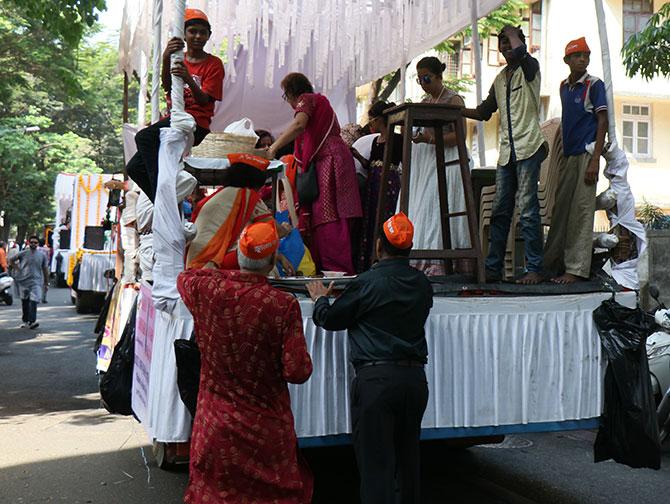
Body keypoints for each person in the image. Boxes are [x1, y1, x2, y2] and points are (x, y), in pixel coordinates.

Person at [178, 221, 313, 504]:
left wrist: (223, 272)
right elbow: (297, 371)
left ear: (238, 255)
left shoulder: (207, 291)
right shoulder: (281, 305)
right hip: (265, 428)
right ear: (273, 260)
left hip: (216, 424)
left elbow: (186, 277)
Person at [307, 212, 433, 504]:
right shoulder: (422, 284)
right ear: (409, 249)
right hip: (415, 381)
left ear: (379, 246)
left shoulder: (367, 283)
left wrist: (320, 299)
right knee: (408, 463)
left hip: (377, 381)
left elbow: (331, 319)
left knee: (377, 467)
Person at [463, 26, 547, 284]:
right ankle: (493, 268)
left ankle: (533, 268)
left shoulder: (530, 67)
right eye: (501, 43)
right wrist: (456, 111)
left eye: (509, 42)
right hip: (507, 154)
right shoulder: (500, 78)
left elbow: (521, 51)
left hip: (529, 148)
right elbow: (484, 111)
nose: (506, 46)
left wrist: (512, 32)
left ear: (520, 43)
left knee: (529, 210)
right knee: (500, 211)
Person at [267, 72, 362, 274]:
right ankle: (332, 268)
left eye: (286, 96)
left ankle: (336, 271)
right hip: (330, 159)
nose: (289, 102)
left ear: (292, 93)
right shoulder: (318, 102)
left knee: (330, 215)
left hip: (331, 160)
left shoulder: (308, 100)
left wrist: (273, 148)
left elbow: (299, 125)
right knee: (329, 214)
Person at [126, 8, 224, 202]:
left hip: (196, 123)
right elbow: (167, 87)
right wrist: (165, 57)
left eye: (202, 32)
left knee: (144, 137)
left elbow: (205, 100)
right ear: (184, 35)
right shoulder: (178, 57)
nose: (197, 36)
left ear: (208, 36)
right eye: (192, 31)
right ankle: (163, 201)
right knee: (133, 168)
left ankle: (163, 194)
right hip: (174, 118)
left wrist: (188, 77)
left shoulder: (214, 64)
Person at [543, 37, 608, 284]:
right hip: (568, 156)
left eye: (586, 56)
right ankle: (551, 265)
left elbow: (603, 122)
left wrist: (595, 161)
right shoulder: (563, 87)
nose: (583, 59)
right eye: (578, 55)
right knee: (561, 211)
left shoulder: (594, 85)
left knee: (582, 210)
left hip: (586, 155)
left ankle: (576, 269)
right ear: (567, 60)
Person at [410, 56, 471, 276]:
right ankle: (420, 257)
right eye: (419, 80)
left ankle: (441, 261)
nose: (424, 84)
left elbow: (460, 135)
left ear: (438, 76)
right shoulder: (425, 102)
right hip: (428, 160)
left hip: (450, 159)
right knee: (422, 206)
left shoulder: (454, 100)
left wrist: (431, 139)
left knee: (435, 204)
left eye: (426, 78)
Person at [185, 153, 294, 274]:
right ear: (256, 182)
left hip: (194, 262)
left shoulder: (218, 195)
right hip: (212, 263)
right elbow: (274, 232)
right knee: (266, 264)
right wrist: (286, 229)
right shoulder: (247, 195)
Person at [353, 101, 403, 271]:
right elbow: (369, 164)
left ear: (380, 119)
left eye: (372, 119)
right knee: (371, 219)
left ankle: (384, 260)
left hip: (388, 182)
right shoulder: (376, 141)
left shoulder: (397, 139)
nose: (371, 123)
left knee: (385, 217)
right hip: (373, 183)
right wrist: (358, 156)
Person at [10, 235, 49, 329]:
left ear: (38, 244)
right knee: (25, 301)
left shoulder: (42, 255)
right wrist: (18, 269)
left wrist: (46, 283)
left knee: (34, 300)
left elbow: (45, 269)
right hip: (23, 281)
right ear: (28, 243)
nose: (33, 244)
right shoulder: (23, 253)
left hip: (36, 281)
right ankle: (25, 320)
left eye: (35, 243)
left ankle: (32, 321)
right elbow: (11, 260)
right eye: (31, 242)